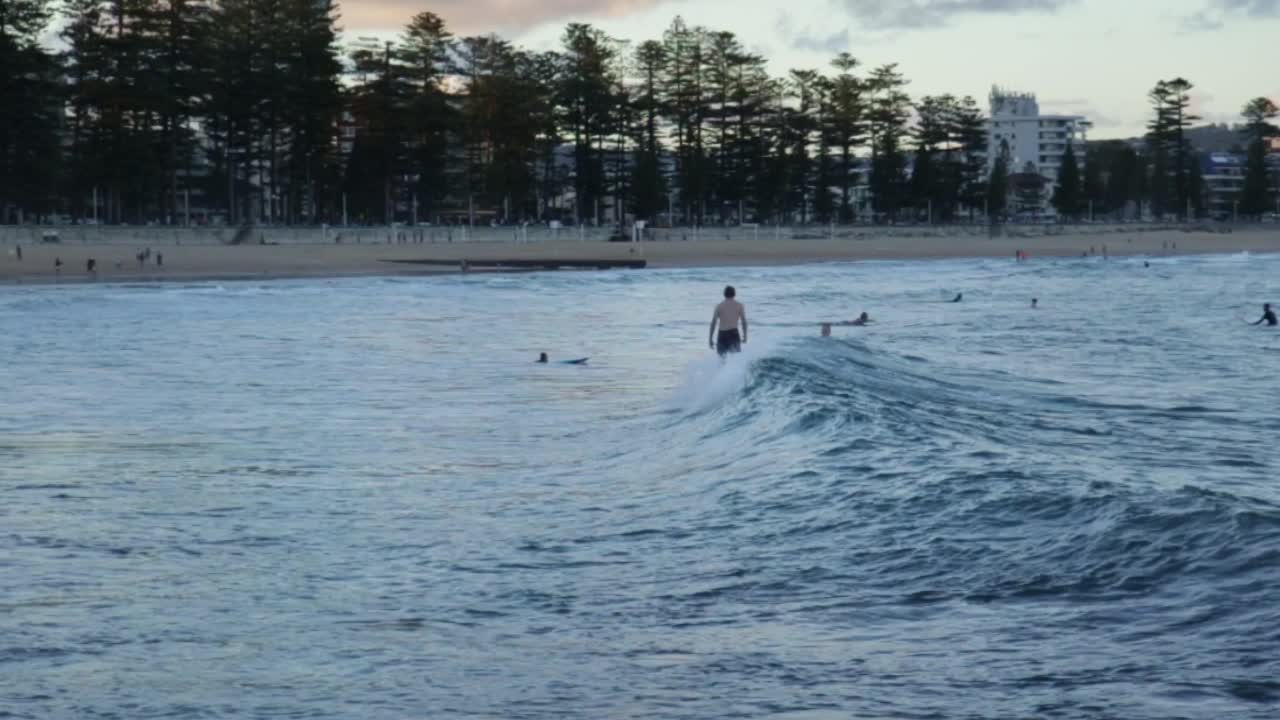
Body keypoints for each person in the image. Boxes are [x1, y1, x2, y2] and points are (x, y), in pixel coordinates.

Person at [709, 285, 747, 356]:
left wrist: (710, 339)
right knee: (735, 358)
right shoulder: (739, 305)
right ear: (734, 294)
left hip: (722, 334)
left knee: (721, 359)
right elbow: (744, 322)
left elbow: (713, 323)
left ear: (724, 294)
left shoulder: (719, 306)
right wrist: (745, 336)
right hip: (734, 333)